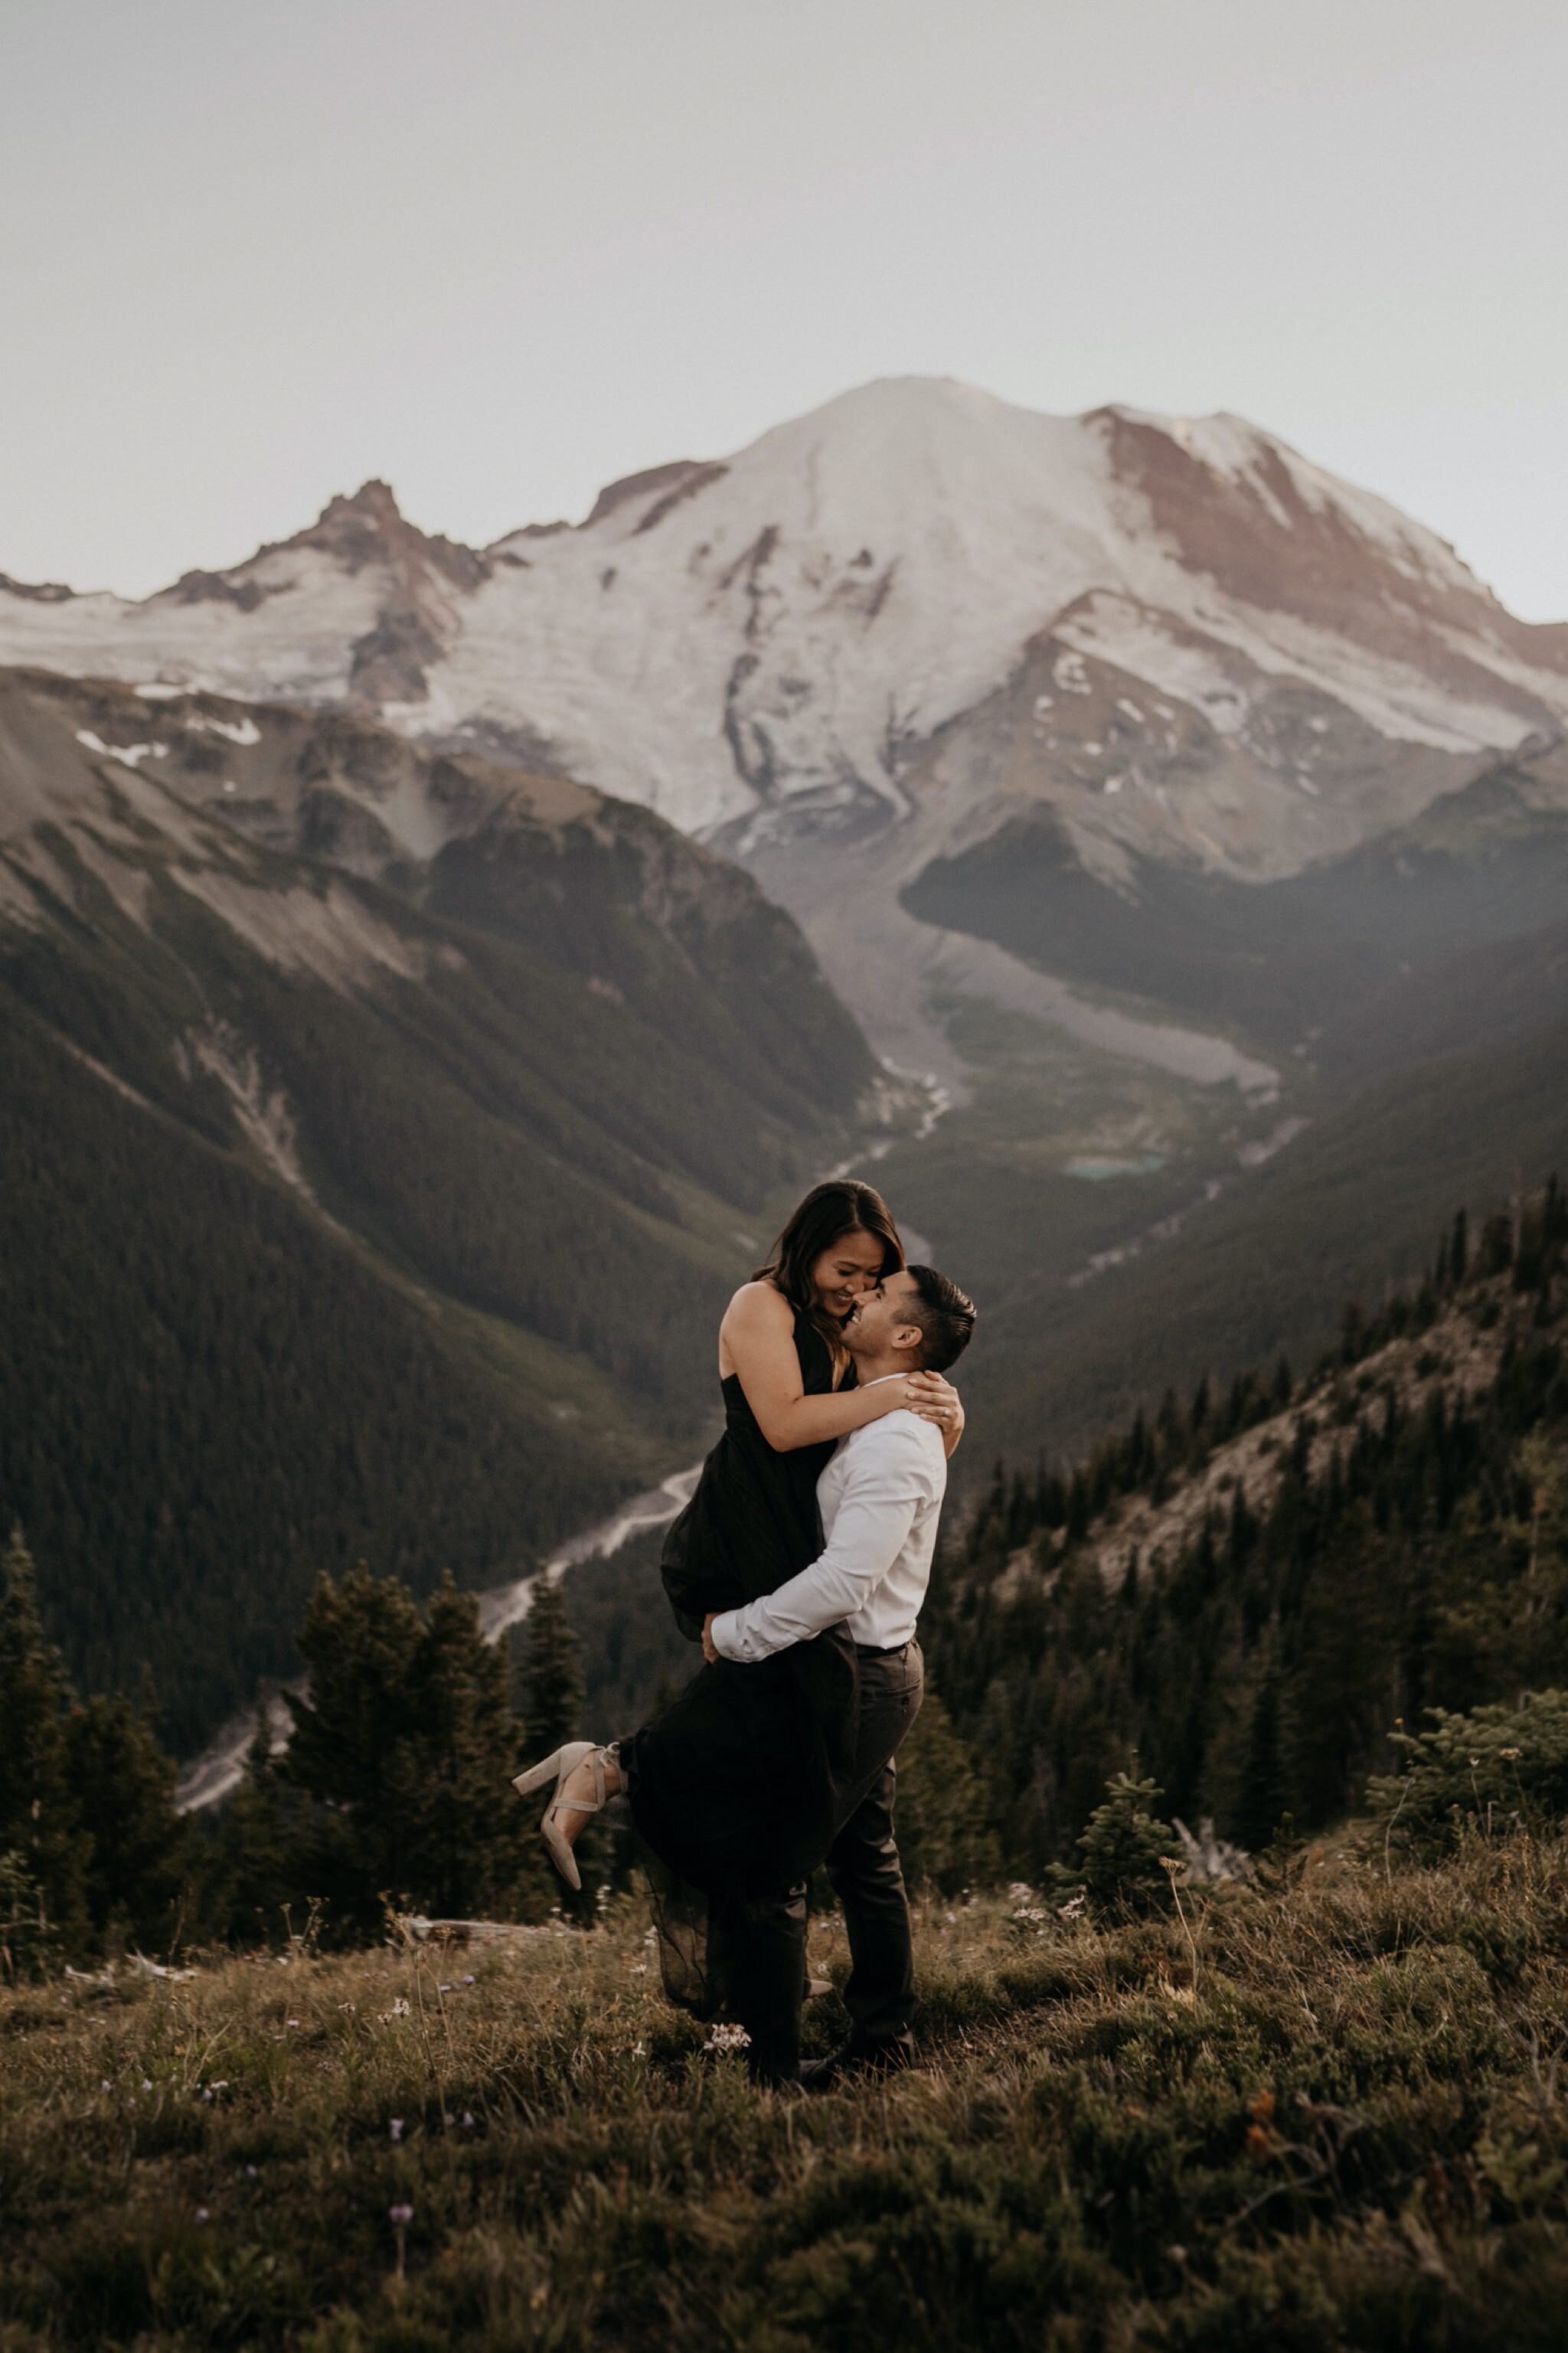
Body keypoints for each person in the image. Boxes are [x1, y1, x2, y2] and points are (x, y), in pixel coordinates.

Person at [511, 1179, 965, 2081]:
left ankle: (603, 1768)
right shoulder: (763, 1306)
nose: (857, 1289)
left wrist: (934, 1409)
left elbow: (886, 1446)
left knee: (800, 1831)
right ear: (805, 1250)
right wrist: (912, 1397)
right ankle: (842, 2039)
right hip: (751, 1544)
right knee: (777, 1794)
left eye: (874, 1279)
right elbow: (789, 1423)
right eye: (848, 1272)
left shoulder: (857, 1348)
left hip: (821, 1607)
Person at [701, 1261, 976, 2087]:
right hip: (863, 1668)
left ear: (903, 1335)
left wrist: (736, 1635)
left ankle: (773, 2071)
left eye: (877, 1293)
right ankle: (881, 2039)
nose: (858, 1294)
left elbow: (844, 1583)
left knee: (773, 1866)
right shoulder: (873, 1409)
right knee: (863, 1856)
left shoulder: (894, 1439)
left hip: (856, 1676)